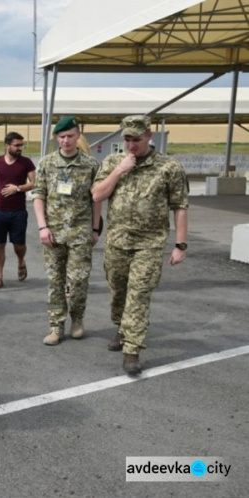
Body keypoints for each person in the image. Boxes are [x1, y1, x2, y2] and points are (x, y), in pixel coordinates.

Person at [92, 115, 189, 375]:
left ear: (149, 136)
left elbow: (179, 206)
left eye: (136, 139)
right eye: (126, 139)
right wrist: (119, 170)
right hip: (117, 242)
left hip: (150, 243)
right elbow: (97, 195)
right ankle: (122, 329)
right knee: (118, 292)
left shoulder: (169, 167)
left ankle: (132, 349)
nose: (131, 145)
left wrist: (180, 244)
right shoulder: (113, 161)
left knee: (139, 293)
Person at [32, 116, 102, 346]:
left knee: (79, 281)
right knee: (55, 281)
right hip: (53, 233)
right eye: (61, 137)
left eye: (70, 136)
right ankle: (56, 326)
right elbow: (38, 196)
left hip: (80, 232)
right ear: (56, 138)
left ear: (78, 135)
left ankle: (78, 319)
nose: (66, 140)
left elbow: (96, 199)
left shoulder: (90, 165)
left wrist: (95, 228)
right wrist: (42, 227)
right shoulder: (46, 163)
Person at [0, 132, 36, 289]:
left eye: (21, 145)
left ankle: (20, 261)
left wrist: (17, 188)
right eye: (17, 145)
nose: (20, 148)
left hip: (18, 211)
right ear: (7, 146)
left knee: (19, 245)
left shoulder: (26, 162)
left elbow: (34, 183)